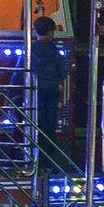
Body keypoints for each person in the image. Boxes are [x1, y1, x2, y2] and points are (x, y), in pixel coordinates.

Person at [30, 16, 67, 146]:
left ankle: (35, 153)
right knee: (50, 125)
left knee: (35, 122)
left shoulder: (30, 50)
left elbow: (20, 72)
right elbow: (63, 73)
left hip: (35, 90)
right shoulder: (56, 51)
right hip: (52, 90)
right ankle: (48, 159)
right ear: (51, 32)